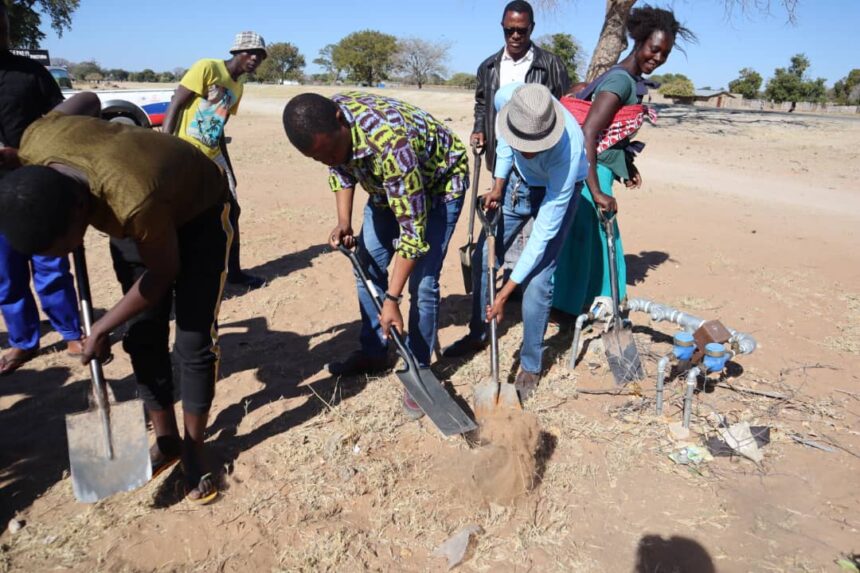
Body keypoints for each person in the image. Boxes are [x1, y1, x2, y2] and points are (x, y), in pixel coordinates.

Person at [0, 92, 233, 504]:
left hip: (199, 209)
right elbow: (87, 99)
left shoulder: (131, 199)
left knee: (193, 341)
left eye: (66, 246)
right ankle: (167, 438)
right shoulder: (37, 141)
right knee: (143, 333)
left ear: (80, 211)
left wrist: (103, 327)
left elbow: (162, 275)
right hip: (137, 206)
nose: (67, 254)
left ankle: (195, 450)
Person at [282, 92, 468, 419]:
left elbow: (413, 235)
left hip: (439, 187)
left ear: (340, 120)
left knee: (422, 284)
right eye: (318, 157)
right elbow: (340, 170)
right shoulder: (328, 125)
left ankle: (419, 367)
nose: (328, 159)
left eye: (330, 151)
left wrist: (392, 299)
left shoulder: (393, 144)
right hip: (386, 189)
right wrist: (344, 222)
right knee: (366, 267)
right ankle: (374, 351)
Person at [444, 0, 569, 359]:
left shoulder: (549, 65)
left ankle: (531, 357)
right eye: (509, 30)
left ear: (532, 29)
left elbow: (560, 108)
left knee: (540, 264)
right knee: (488, 253)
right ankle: (478, 332)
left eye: (522, 30)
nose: (515, 36)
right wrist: (480, 133)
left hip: (547, 169)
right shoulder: (489, 66)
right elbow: (484, 107)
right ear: (502, 27)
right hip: (507, 161)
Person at [552, 6, 694, 317]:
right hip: (592, 172)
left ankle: (573, 304)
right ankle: (592, 304)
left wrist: (628, 167)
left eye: (664, 54)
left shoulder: (626, 77)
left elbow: (611, 133)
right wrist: (598, 190)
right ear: (639, 42)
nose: (657, 58)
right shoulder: (621, 82)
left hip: (595, 168)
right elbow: (590, 133)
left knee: (586, 238)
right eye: (653, 49)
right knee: (600, 238)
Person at [450, 83, 586, 400]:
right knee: (485, 254)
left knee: (538, 279)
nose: (526, 149)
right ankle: (479, 332)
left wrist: (505, 292)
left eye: (533, 145)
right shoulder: (508, 99)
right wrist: (499, 184)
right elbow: (508, 145)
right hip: (517, 186)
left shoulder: (568, 152)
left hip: (557, 188)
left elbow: (540, 240)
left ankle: (530, 365)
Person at [0, 3, 82, 375]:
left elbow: (61, 124)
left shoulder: (31, 73)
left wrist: (25, 154)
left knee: (50, 265)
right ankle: (22, 341)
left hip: (37, 186)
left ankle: (70, 331)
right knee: (6, 273)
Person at [161, 31, 267, 289]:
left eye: (260, 55)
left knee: (232, 211)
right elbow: (176, 103)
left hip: (212, 154)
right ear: (236, 52)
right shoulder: (207, 67)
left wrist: (227, 168)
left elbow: (219, 126)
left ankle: (235, 272)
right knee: (181, 216)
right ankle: (172, 276)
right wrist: (165, 146)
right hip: (185, 150)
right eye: (250, 52)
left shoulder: (238, 86)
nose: (255, 58)